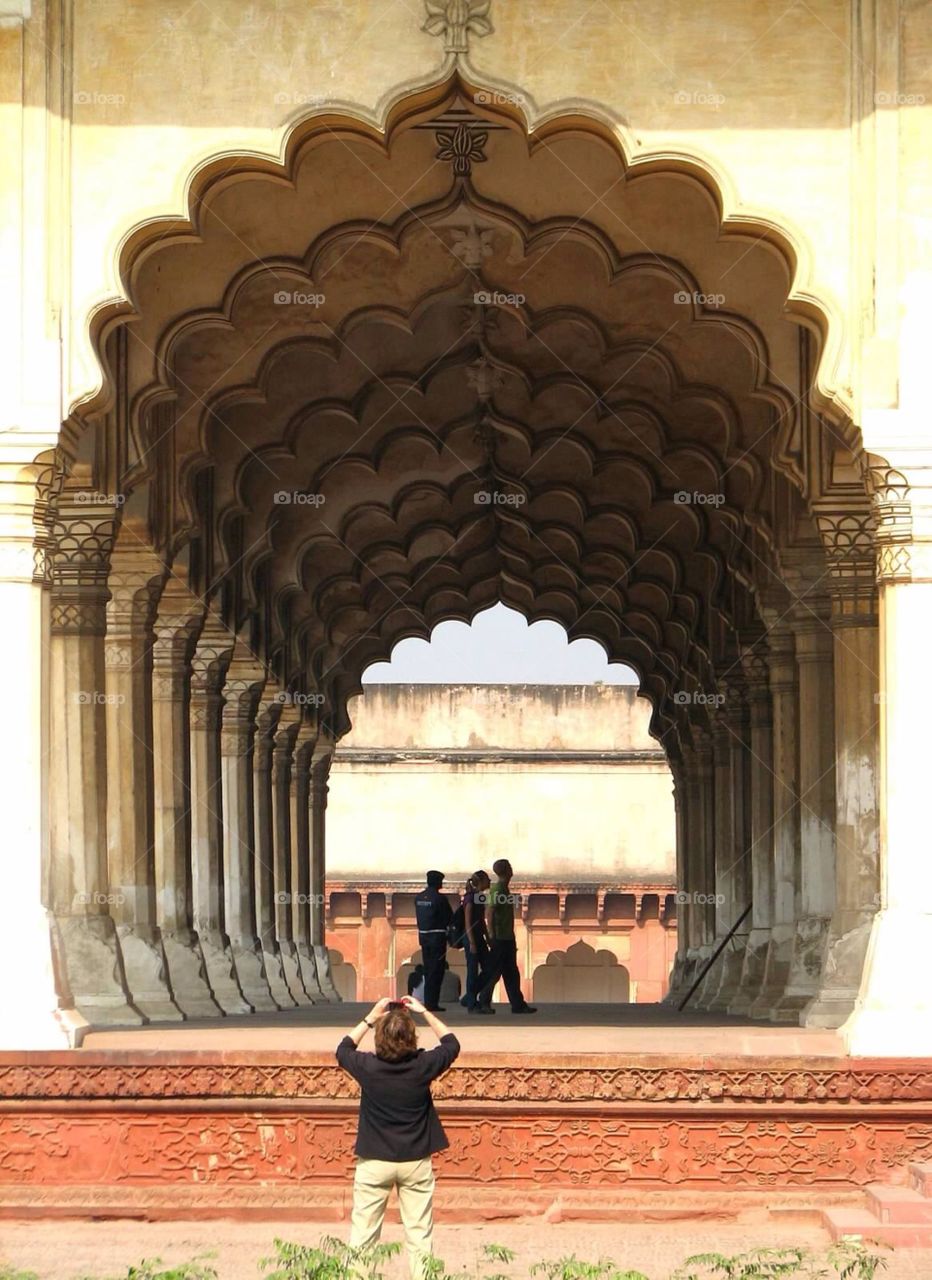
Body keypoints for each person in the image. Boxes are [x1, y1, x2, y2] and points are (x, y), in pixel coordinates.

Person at [336, 995, 459, 1280]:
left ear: (380, 1037)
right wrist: (424, 1011)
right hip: (415, 1159)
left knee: (363, 1236)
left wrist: (372, 1016)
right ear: (412, 1038)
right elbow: (452, 1044)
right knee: (419, 1236)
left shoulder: (368, 1067)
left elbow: (343, 1049)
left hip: (374, 1160)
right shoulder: (422, 1066)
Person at [476, 858, 537, 1014]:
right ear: (506, 870)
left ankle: (517, 1004)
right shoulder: (498, 889)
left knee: (510, 972)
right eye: (509, 866)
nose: (511, 869)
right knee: (496, 972)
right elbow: (489, 911)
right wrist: (491, 934)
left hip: (507, 937)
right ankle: (483, 1001)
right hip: (500, 938)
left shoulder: (503, 888)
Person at [414, 870, 452, 1011]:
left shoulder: (418, 898)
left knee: (428, 968)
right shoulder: (440, 899)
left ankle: (429, 1001)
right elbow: (449, 917)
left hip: (423, 937)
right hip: (437, 938)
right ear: (437, 882)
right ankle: (432, 1003)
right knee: (437, 971)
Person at [462, 870, 492, 1012]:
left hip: (479, 937)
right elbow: (467, 921)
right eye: (487, 879)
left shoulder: (480, 897)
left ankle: (469, 996)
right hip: (472, 938)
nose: (490, 882)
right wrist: (472, 942)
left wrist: (487, 938)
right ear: (480, 882)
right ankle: (472, 1004)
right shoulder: (470, 897)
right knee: (472, 971)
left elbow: (481, 921)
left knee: (489, 969)